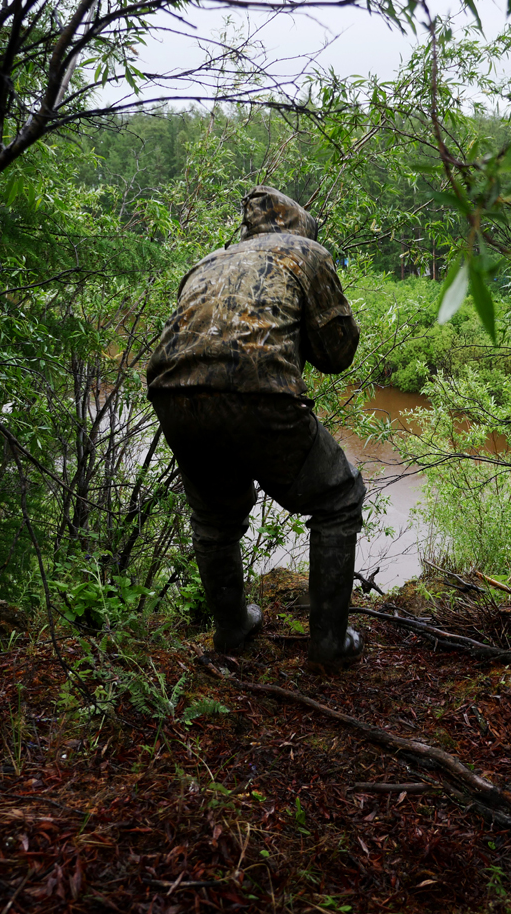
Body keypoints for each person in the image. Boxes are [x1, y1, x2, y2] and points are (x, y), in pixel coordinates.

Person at [146, 186, 366, 672]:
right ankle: (329, 643)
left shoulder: (207, 262)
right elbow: (337, 355)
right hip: (259, 390)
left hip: (173, 393)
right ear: (301, 226)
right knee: (339, 499)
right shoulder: (307, 252)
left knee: (215, 519)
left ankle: (232, 628)